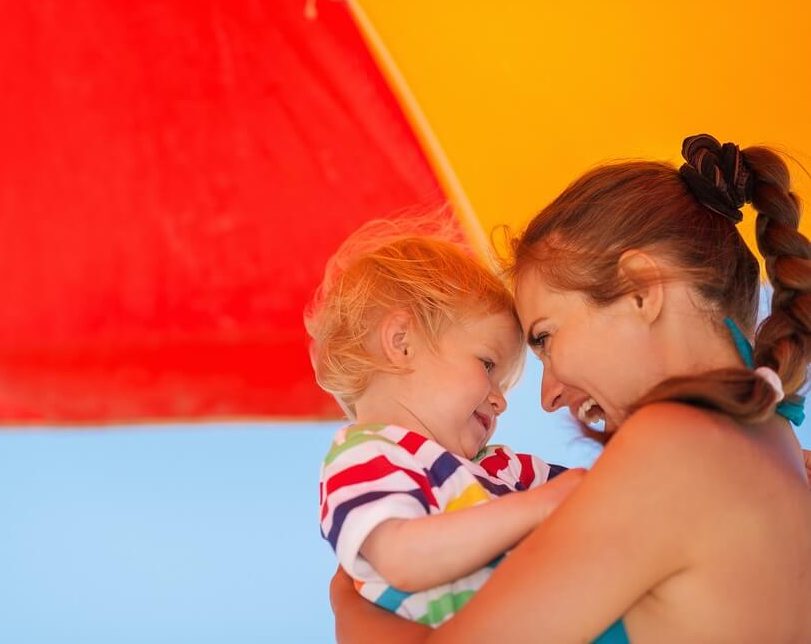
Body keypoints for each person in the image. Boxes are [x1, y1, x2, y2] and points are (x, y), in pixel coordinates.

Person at [330, 134, 811, 642]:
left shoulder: (675, 446)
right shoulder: (771, 444)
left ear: (641, 291)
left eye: (545, 337)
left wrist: (347, 606)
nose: (547, 396)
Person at [306, 216, 586, 627]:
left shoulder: (503, 468)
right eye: (488, 365)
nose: (499, 401)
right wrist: (537, 507)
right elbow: (404, 559)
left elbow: (598, 494)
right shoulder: (365, 456)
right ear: (402, 342)